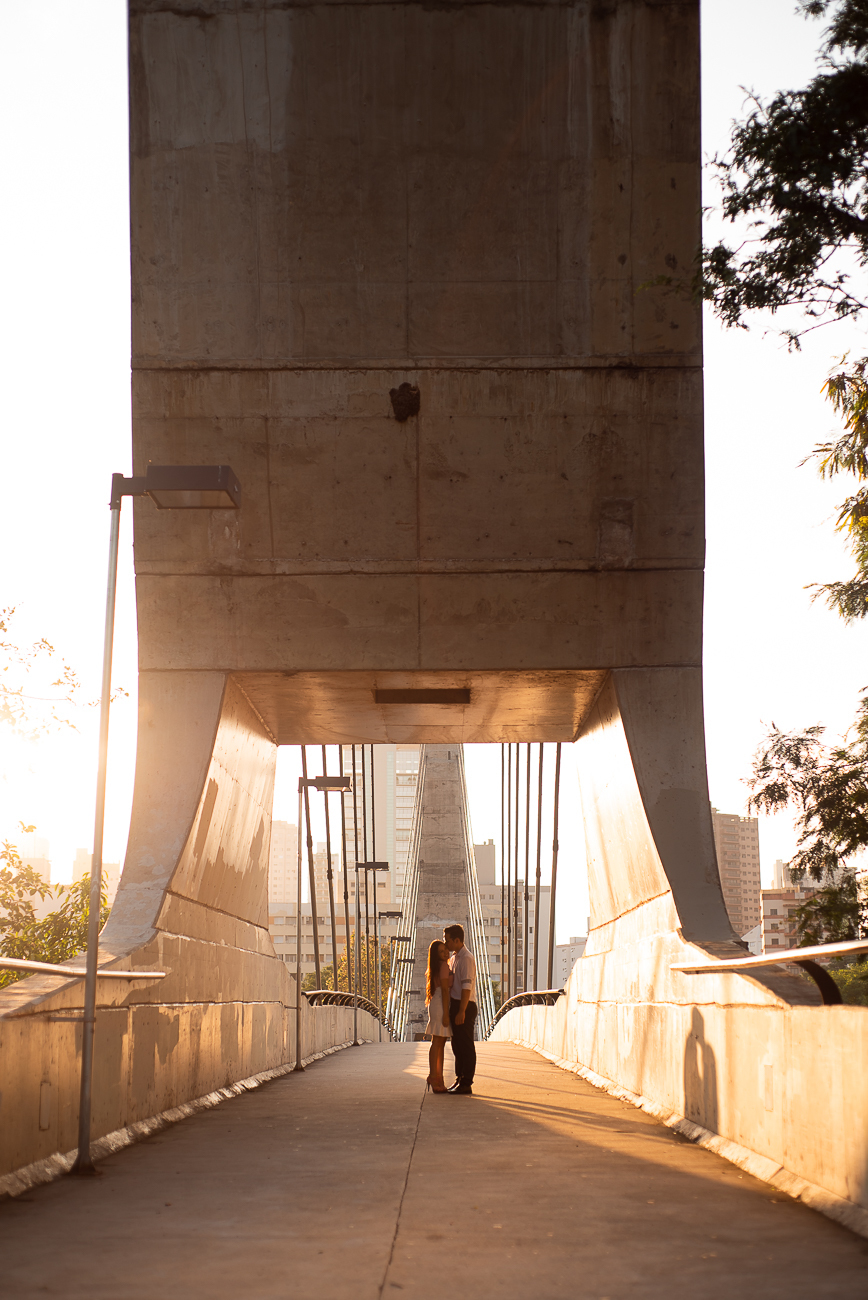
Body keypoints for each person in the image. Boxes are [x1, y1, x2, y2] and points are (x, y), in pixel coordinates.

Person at [444, 923, 477, 1095]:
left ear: (457, 940)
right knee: (456, 1045)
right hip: (456, 1004)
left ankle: (466, 1082)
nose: (446, 944)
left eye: (447, 940)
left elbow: (466, 988)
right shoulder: (455, 957)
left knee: (466, 1045)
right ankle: (459, 1078)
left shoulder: (466, 959)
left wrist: (461, 1011)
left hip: (465, 1005)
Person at [424, 938, 453, 1092]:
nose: (445, 953)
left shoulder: (439, 966)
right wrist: (446, 1014)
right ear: (436, 955)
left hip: (437, 1003)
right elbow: (444, 990)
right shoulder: (443, 966)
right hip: (441, 1005)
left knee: (439, 1043)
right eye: (441, 952)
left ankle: (438, 1077)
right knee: (437, 1043)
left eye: (445, 950)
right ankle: (434, 1076)